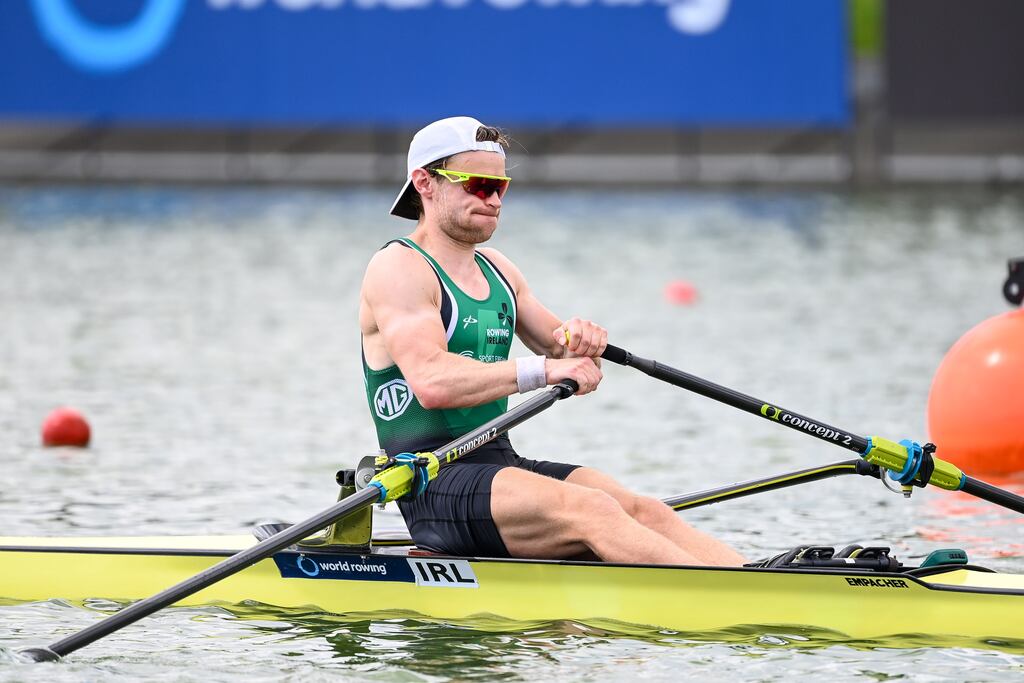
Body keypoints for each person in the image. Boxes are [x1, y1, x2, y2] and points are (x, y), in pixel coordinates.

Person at [359, 116, 744, 566]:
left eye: (501, 187)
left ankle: (756, 582)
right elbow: (432, 382)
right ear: (425, 182)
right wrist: (545, 369)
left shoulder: (498, 268)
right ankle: (721, 600)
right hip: (432, 479)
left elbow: (566, 354)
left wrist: (581, 342)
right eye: (478, 185)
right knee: (593, 509)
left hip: (497, 464)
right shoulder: (398, 268)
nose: (494, 199)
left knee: (642, 509)